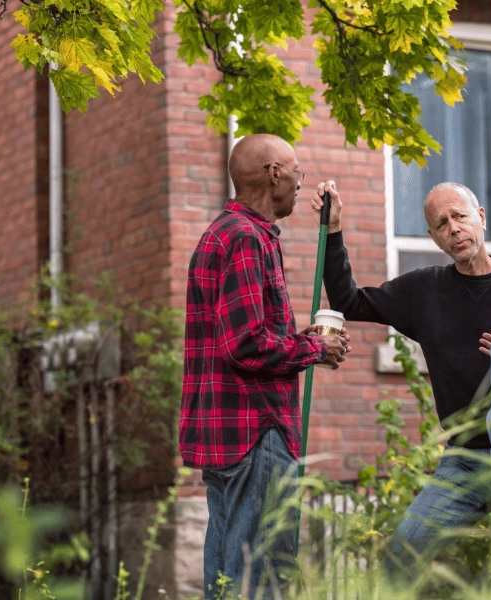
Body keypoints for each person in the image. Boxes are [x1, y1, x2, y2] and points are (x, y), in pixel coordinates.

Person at [181, 134, 351, 599]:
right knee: (264, 574)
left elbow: (243, 337)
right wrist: (315, 351)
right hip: (255, 430)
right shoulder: (244, 238)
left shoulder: (226, 234)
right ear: (273, 172)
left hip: (230, 433)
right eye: (296, 170)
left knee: (227, 571)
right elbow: (246, 345)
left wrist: (302, 340)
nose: (301, 181)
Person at [311, 180, 491, 570]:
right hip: (466, 460)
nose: (453, 228)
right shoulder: (424, 291)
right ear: (433, 238)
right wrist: (333, 230)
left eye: (460, 216)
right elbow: (349, 301)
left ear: (481, 218)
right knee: (401, 559)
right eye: (441, 224)